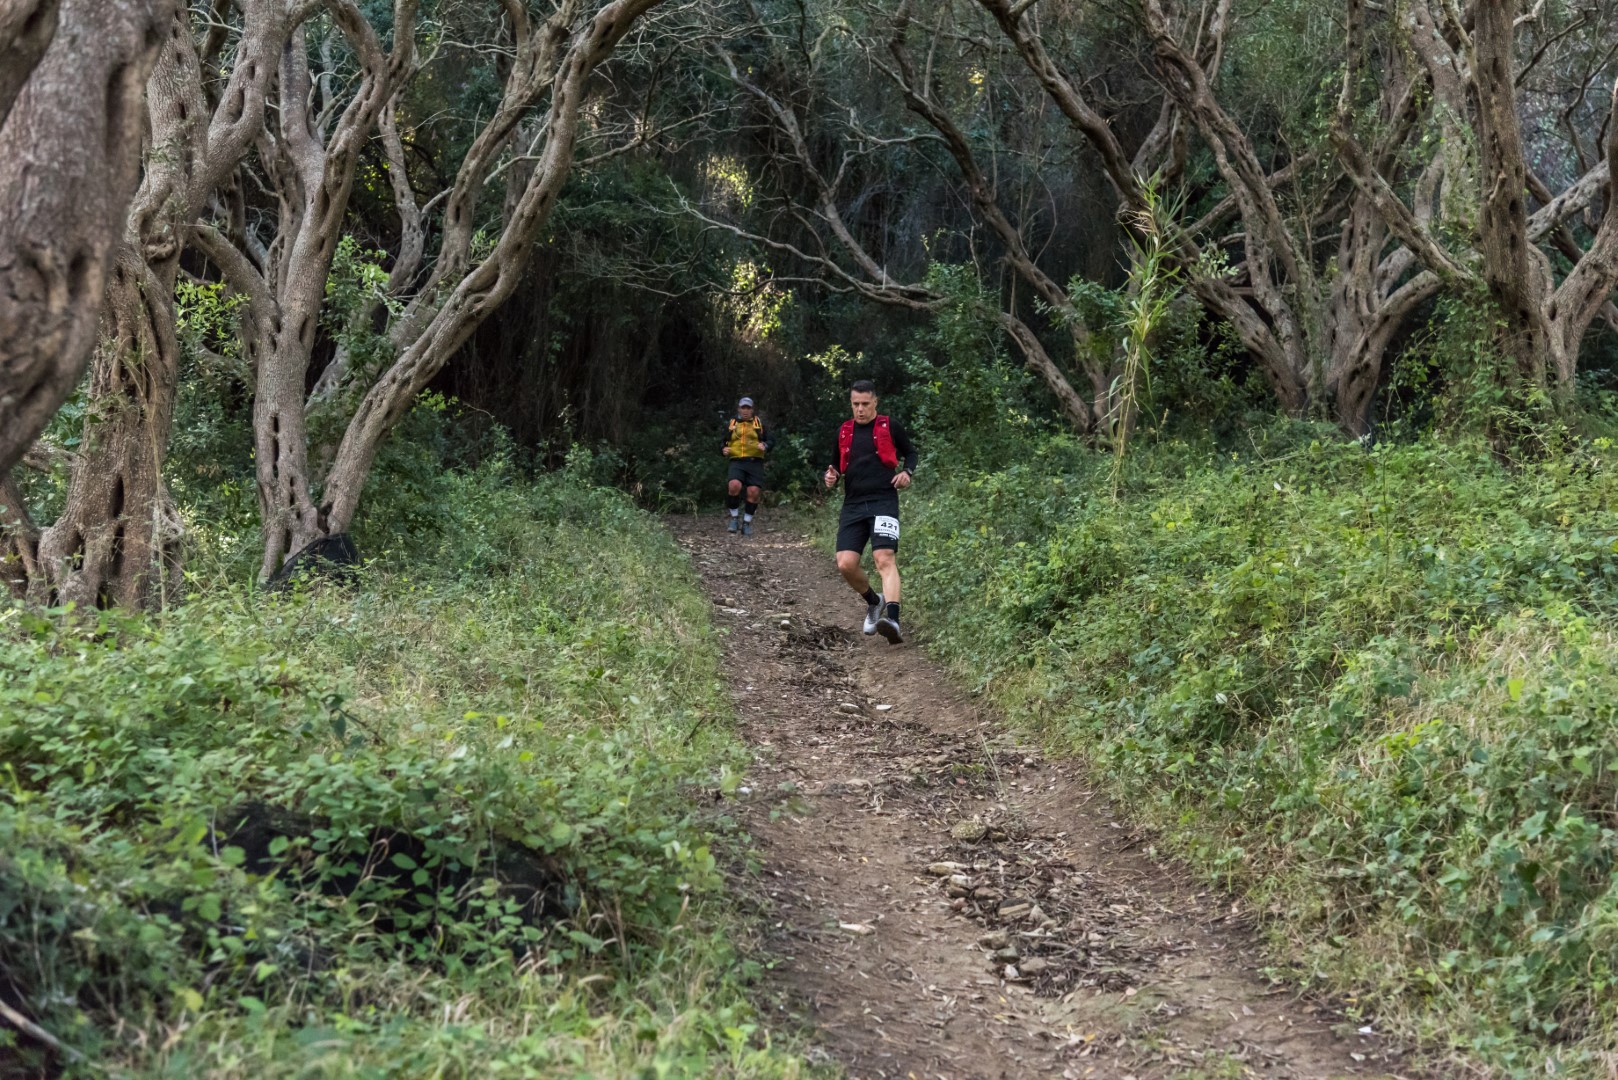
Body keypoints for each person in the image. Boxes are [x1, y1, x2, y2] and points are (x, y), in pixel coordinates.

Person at [823, 379, 916, 644]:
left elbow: (911, 453)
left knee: (884, 558)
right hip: (853, 504)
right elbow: (835, 466)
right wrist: (830, 477)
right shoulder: (844, 431)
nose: (860, 409)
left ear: (875, 401)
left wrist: (907, 473)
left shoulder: (890, 426)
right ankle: (875, 602)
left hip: (883, 500)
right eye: (856, 404)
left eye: (865, 403)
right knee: (845, 563)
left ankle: (894, 621)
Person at [721, 396, 770, 536]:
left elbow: (771, 440)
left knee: (753, 492)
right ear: (739, 409)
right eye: (743, 408)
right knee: (734, 485)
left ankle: (746, 523)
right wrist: (723, 449)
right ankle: (734, 518)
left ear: (752, 410)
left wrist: (765, 445)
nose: (746, 411)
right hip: (737, 461)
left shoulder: (758, 424)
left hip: (755, 461)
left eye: (748, 408)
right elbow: (723, 441)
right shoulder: (732, 424)